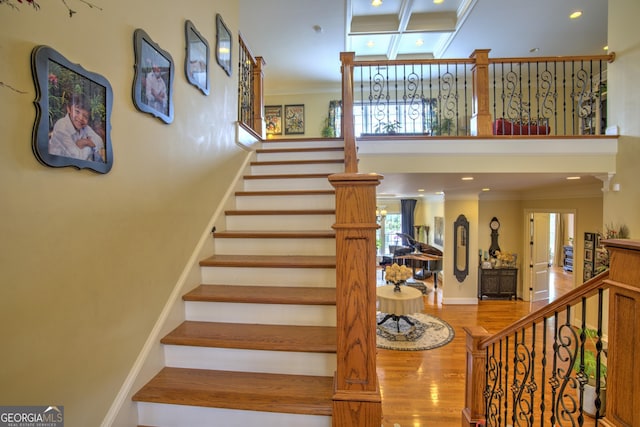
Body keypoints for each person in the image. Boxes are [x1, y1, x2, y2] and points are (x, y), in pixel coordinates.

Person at [49, 93, 105, 162]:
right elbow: (77, 158)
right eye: (77, 111)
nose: (81, 118)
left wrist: (85, 143)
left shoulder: (85, 128)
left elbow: (100, 142)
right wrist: (88, 144)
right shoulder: (62, 126)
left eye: (85, 116)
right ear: (69, 109)